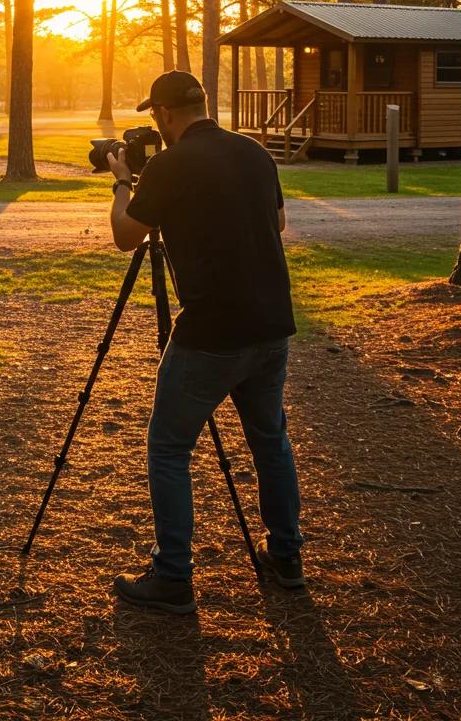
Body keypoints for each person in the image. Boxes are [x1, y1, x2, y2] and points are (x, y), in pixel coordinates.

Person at [106, 69, 304, 614]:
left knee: (169, 448)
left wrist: (124, 180)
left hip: (213, 331)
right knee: (271, 440)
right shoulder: (254, 153)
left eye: (155, 117)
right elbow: (280, 222)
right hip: (271, 324)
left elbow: (126, 236)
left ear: (165, 115)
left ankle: (172, 576)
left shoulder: (170, 165)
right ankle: (286, 555)